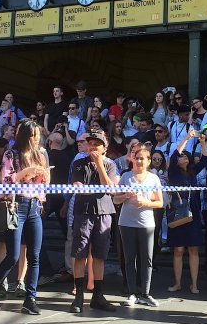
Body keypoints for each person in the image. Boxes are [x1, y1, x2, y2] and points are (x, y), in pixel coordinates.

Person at [0, 119, 50, 315]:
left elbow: (45, 184)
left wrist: (44, 178)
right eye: (33, 136)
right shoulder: (11, 154)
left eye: (38, 136)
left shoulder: (40, 154)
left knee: (35, 255)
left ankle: (30, 298)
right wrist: (26, 172)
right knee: (13, 255)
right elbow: (5, 180)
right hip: (16, 206)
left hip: (35, 206)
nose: (36, 139)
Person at [69, 128, 120, 313]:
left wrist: (99, 165)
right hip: (83, 212)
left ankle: (98, 295)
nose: (92, 147)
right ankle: (79, 295)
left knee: (99, 255)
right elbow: (79, 188)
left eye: (96, 144)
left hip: (104, 212)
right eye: (90, 144)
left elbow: (109, 188)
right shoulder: (79, 163)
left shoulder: (110, 165)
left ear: (104, 148)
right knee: (80, 252)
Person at [114, 147, 163, 307]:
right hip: (126, 222)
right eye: (137, 158)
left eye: (143, 158)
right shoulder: (126, 176)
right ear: (132, 159)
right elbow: (116, 200)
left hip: (147, 223)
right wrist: (125, 196)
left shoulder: (154, 178)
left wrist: (146, 203)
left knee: (147, 259)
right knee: (129, 259)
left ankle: (146, 293)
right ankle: (132, 292)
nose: (140, 161)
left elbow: (160, 202)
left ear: (149, 161)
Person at [166, 129, 207, 293]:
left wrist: (203, 142)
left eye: (185, 156)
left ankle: (195, 284)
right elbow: (174, 154)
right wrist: (187, 137)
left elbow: (205, 159)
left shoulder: (192, 172)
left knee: (193, 249)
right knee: (178, 249)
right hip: (178, 212)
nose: (182, 157)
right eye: (181, 156)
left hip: (194, 213)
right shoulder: (173, 172)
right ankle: (177, 283)